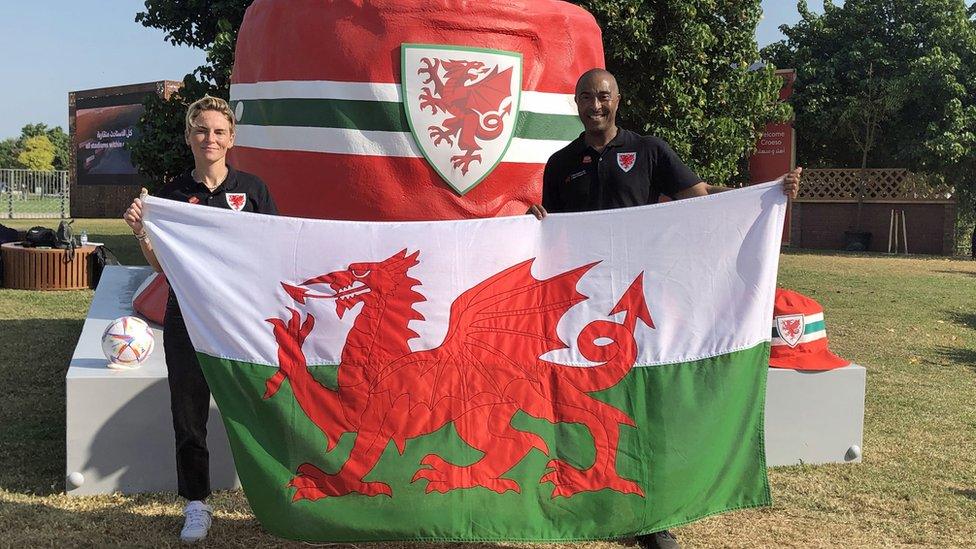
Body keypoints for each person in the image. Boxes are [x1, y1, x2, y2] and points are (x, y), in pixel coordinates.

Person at [527, 68, 801, 549]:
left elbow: (698, 198)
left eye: (604, 97)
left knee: (639, 400)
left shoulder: (649, 150)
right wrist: (536, 222)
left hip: (636, 304)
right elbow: (551, 234)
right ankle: (583, 495)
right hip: (581, 306)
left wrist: (767, 193)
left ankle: (651, 517)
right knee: (580, 399)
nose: (596, 106)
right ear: (576, 103)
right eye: (587, 98)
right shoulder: (559, 163)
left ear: (618, 99)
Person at [123, 96, 278, 544]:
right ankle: (196, 504)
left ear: (232, 138)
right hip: (186, 316)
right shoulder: (170, 195)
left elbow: (273, 251)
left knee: (257, 408)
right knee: (188, 414)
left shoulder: (254, 190)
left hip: (241, 320)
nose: (210, 138)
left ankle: (274, 493)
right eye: (201, 130)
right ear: (189, 136)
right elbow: (162, 267)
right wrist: (141, 231)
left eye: (218, 131)